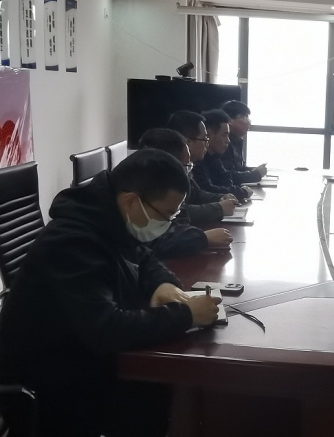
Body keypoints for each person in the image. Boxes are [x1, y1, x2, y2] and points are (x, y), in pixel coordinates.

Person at [0, 149, 221, 437]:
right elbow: (105, 329)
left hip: (79, 349)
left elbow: (143, 255)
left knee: (161, 390)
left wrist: (162, 284)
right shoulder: (72, 242)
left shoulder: (109, 217)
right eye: (166, 215)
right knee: (155, 394)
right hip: (48, 378)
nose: (168, 224)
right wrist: (186, 315)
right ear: (131, 201)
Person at [139, 128, 233, 257]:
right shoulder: (145, 192)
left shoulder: (164, 186)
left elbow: (180, 219)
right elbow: (154, 244)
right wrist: (202, 238)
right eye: (187, 165)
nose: (188, 172)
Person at [167, 110, 249, 204]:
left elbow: (198, 194)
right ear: (188, 142)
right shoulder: (174, 167)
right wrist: (221, 204)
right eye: (205, 138)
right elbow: (187, 207)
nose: (207, 142)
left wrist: (222, 197)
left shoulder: (210, 157)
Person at [191, 109, 253, 201]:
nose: (228, 140)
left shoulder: (214, 157)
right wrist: (241, 192)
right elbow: (207, 189)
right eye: (224, 135)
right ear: (209, 135)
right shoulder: (196, 161)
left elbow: (227, 181)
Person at [220, 100, 267, 183]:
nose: (249, 122)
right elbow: (228, 175)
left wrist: (256, 170)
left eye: (248, 117)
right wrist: (256, 174)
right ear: (230, 120)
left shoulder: (237, 140)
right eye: (244, 117)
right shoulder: (222, 142)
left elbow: (239, 169)